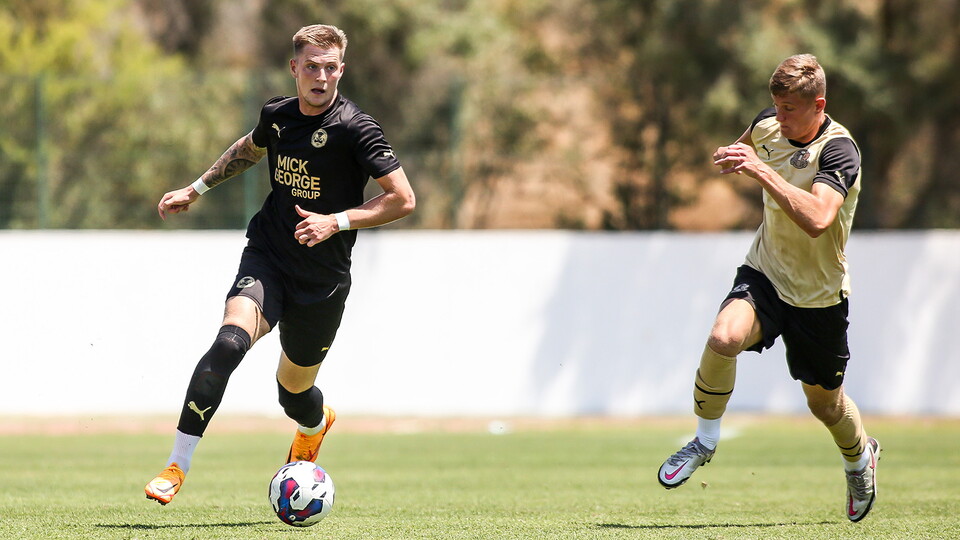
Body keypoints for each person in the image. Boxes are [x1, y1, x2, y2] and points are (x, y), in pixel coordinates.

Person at [145, 24, 415, 505]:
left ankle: (315, 424)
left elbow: (403, 198)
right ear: (294, 68)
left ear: (341, 71)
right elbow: (250, 148)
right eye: (311, 66)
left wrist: (336, 221)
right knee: (228, 344)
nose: (320, 77)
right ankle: (177, 464)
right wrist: (196, 188)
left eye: (329, 68)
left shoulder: (357, 128)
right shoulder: (277, 115)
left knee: (293, 395)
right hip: (268, 255)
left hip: (322, 281)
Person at [656, 54, 880, 522]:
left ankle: (860, 460)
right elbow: (744, 148)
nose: (779, 117)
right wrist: (731, 155)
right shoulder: (767, 124)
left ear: (819, 105)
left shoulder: (840, 151)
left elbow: (819, 219)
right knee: (724, 337)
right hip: (766, 272)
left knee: (825, 405)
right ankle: (704, 440)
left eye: (789, 109)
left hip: (818, 295)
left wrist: (760, 170)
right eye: (775, 106)